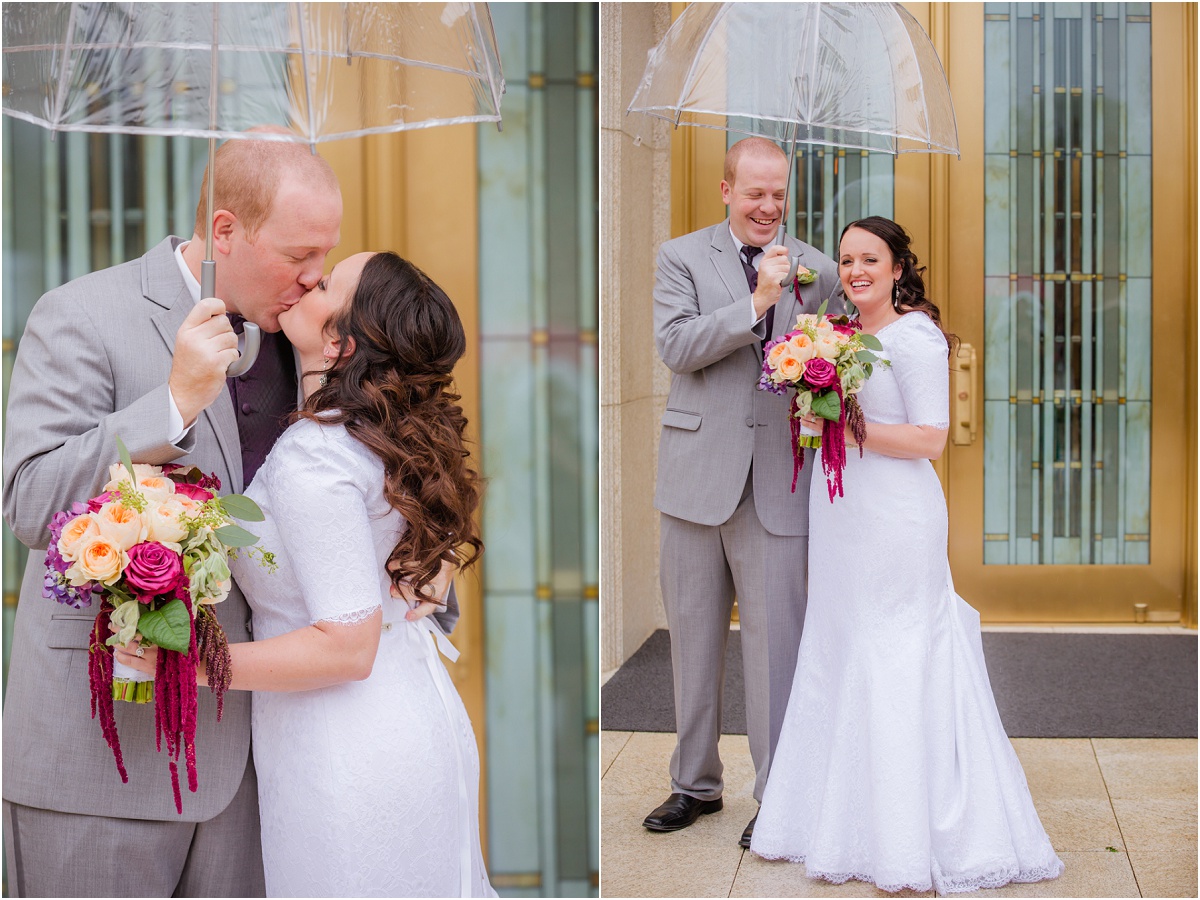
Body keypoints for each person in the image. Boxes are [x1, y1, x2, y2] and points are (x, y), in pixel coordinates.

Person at [117, 251, 494, 898]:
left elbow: (347, 647)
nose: (300, 284)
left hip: (348, 749)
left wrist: (185, 665)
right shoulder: (367, 433)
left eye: (322, 285)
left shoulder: (317, 457)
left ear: (340, 342)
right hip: (406, 718)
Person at [750, 217, 1064, 893]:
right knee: (841, 645)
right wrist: (810, 412)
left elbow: (928, 439)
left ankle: (902, 831)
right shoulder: (835, 336)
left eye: (870, 259)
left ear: (898, 269)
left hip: (895, 518)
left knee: (890, 649)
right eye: (846, 259)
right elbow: (835, 427)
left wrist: (847, 424)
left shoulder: (915, 336)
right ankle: (834, 818)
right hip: (842, 516)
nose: (856, 270)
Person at [644, 137, 841, 847]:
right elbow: (676, 346)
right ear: (726, 190)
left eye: (778, 194)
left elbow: (835, 358)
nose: (768, 207)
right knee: (692, 645)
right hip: (696, 480)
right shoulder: (680, 257)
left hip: (779, 482)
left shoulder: (817, 269)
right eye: (755, 193)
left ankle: (778, 795)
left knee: (775, 650)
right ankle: (694, 784)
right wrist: (756, 304)